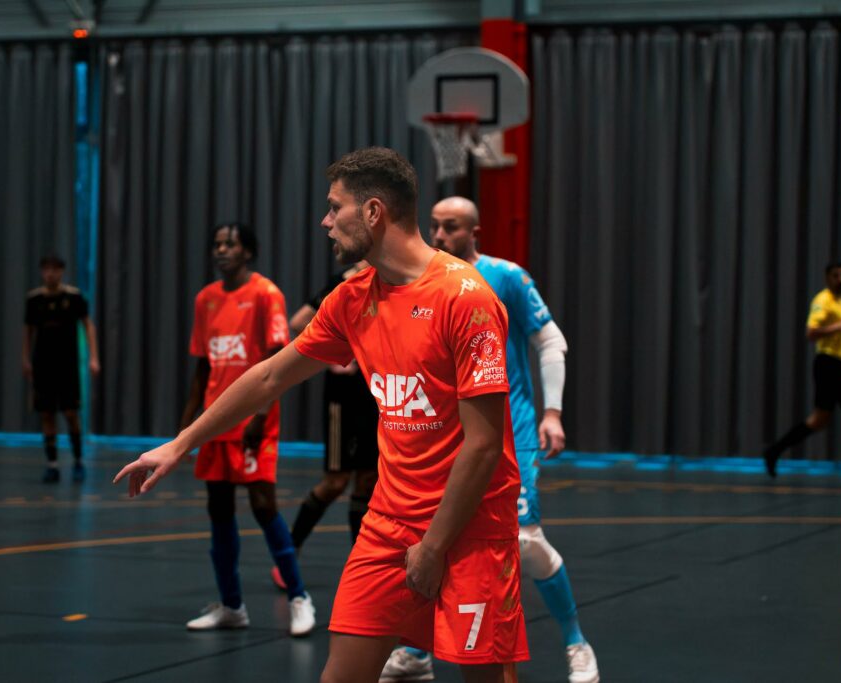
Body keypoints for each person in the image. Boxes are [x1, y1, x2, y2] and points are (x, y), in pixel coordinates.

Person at [115, 148, 527, 683]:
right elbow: (268, 377)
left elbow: (483, 445)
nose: (325, 221)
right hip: (389, 525)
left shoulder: (465, 298)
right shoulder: (352, 299)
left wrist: (434, 545)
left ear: (374, 212)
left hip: (469, 529)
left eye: (336, 208)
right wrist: (181, 442)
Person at [378, 197, 599, 683]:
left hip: (506, 434)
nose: (439, 235)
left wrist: (553, 414)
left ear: (474, 231)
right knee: (429, 538)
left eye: (451, 227)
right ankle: (419, 650)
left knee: (525, 541)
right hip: (440, 440)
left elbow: (550, 341)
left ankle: (575, 641)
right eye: (433, 226)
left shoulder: (505, 278)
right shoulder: (417, 280)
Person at [177, 222, 315, 637]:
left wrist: (260, 415)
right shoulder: (206, 299)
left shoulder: (265, 294)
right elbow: (202, 366)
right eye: (217, 243)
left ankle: (299, 596)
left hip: (254, 416)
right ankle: (232, 605)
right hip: (215, 417)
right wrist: (186, 430)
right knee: (218, 509)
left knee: (262, 505)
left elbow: (276, 359)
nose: (221, 250)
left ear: (248, 252)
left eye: (230, 244)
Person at [271, 260, 379, 589]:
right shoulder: (343, 282)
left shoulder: (390, 280)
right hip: (342, 398)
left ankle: (360, 566)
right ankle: (290, 551)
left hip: (374, 392)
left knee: (366, 481)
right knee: (335, 482)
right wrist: (336, 352)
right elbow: (299, 321)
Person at [763, 263, 841, 477]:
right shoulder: (823, 301)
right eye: (836, 275)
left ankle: (773, 451)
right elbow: (810, 333)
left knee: (820, 420)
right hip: (829, 365)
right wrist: (840, 326)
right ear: (827, 278)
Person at [23, 253, 100, 484]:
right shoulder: (34, 300)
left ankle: (78, 461)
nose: (51, 274)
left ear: (62, 272)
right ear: (41, 272)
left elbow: (88, 326)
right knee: (47, 414)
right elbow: (27, 331)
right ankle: (52, 464)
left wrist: (93, 357)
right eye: (46, 269)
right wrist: (25, 358)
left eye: (55, 269)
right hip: (43, 365)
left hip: (66, 365)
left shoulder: (74, 298)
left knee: (70, 413)